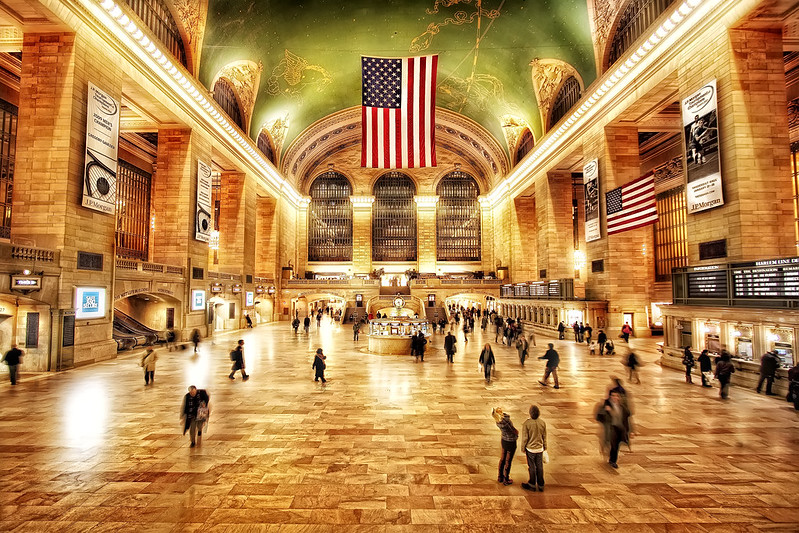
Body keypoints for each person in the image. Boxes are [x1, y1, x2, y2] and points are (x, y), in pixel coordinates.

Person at [519, 404, 547, 492]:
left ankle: (532, 484)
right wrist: (545, 446)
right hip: (539, 448)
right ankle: (541, 484)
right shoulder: (542, 423)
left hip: (530, 449)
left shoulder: (527, 424)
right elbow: (544, 436)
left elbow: (525, 438)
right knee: (540, 466)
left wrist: (523, 447)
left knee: (532, 467)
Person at [603, 390, 633, 468]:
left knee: (617, 445)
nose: (615, 398)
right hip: (612, 428)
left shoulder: (622, 407)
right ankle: (613, 461)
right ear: (610, 397)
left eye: (617, 396)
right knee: (614, 444)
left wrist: (631, 431)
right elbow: (600, 416)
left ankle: (612, 458)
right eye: (613, 396)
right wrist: (607, 411)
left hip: (620, 429)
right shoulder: (607, 406)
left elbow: (627, 419)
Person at [492, 408, 518, 486]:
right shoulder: (506, 421)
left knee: (502, 459)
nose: (499, 408)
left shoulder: (498, 421)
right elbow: (512, 429)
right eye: (498, 409)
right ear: (499, 413)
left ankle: (500, 476)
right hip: (510, 441)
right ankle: (506, 479)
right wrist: (516, 433)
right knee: (508, 461)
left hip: (504, 440)